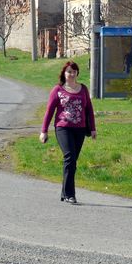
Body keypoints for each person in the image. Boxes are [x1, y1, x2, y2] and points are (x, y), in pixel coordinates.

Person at [39, 61, 97, 204]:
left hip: (80, 129)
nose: (71, 74)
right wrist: (44, 131)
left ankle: (65, 192)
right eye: (69, 71)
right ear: (64, 73)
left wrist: (93, 129)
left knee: (72, 162)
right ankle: (70, 194)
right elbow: (49, 111)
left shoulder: (83, 89)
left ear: (77, 73)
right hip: (63, 128)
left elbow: (89, 109)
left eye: (74, 71)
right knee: (69, 157)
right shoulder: (58, 89)